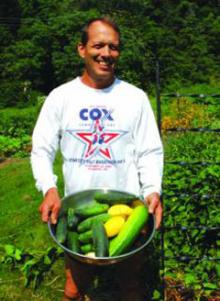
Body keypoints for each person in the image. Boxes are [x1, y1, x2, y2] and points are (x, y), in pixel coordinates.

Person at [31, 17, 163, 301]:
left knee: (131, 287)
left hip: (127, 211)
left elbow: (150, 150)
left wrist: (153, 189)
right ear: (81, 49)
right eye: (98, 45)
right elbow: (42, 149)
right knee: (73, 290)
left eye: (113, 47)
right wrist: (49, 188)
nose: (106, 53)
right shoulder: (61, 97)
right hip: (79, 213)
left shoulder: (135, 97)